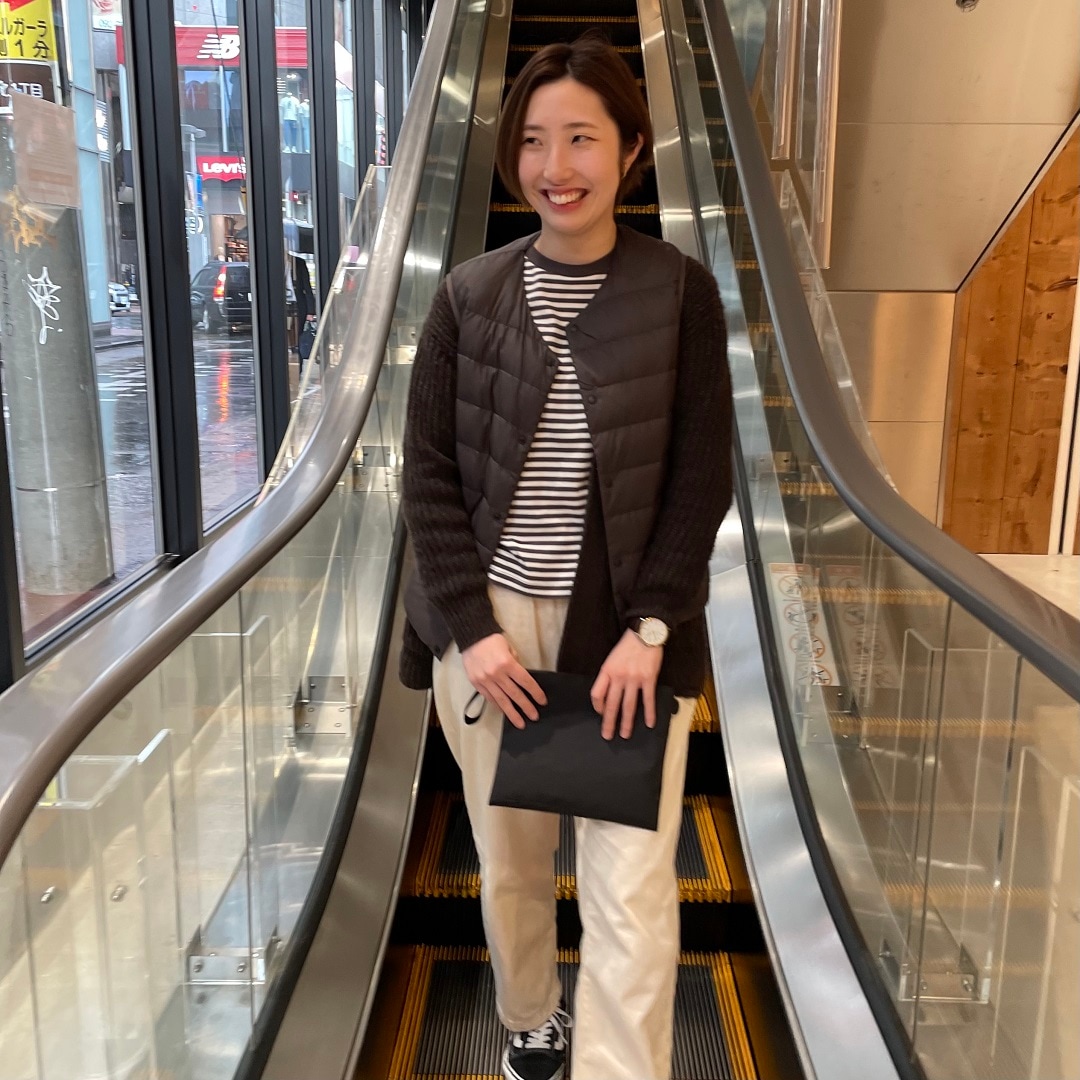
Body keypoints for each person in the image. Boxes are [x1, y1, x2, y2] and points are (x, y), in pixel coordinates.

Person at [400, 32, 732, 1080]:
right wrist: (473, 632)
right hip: (492, 633)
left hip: (626, 636)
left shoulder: (679, 293)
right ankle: (532, 1018)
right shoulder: (468, 295)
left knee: (631, 888)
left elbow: (700, 476)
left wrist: (653, 627)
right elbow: (428, 480)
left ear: (631, 149)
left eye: (582, 138)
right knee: (511, 864)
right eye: (535, 140)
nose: (556, 166)